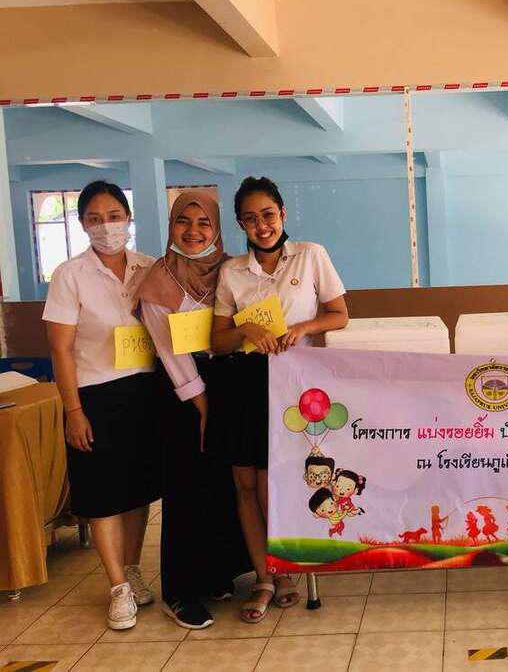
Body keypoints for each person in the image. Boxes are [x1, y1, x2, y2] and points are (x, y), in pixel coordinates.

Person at [211, 176, 349, 623]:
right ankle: (263, 578)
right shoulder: (232, 271)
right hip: (243, 383)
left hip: (293, 383)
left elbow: (340, 314)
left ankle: (284, 571)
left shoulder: (311, 255)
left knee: (277, 484)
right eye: (250, 219)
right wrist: (245, 329)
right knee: (245, 486)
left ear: (283, 214)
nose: (262, 225)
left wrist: (303, 327)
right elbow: (217, 342)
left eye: (268, 214)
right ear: (240, 224)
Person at [43, 181, 159, 630]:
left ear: (128, 218)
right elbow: (60, 350)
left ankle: (133, 568)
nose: (106, 227)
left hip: (144, 391)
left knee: (137, 491)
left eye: (113, 216)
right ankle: (117, 588)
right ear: (82, 224)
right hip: (94, 395)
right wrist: (73, 411)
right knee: (103, 494)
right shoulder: (70, 274)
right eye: (95, 219)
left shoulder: (148, 266)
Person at [135, 191, 251, 629]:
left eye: (204, 223)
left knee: (224, 482)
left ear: (217, 228)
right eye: (184, 221)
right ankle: (180, 591)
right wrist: (202, 405)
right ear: (171, 226)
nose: (193, 231)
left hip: (228, 381)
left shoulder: (233, 270)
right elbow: (170, 352)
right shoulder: (158, 280)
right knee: (186, 488)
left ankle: (218, 573)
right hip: (181, 392)